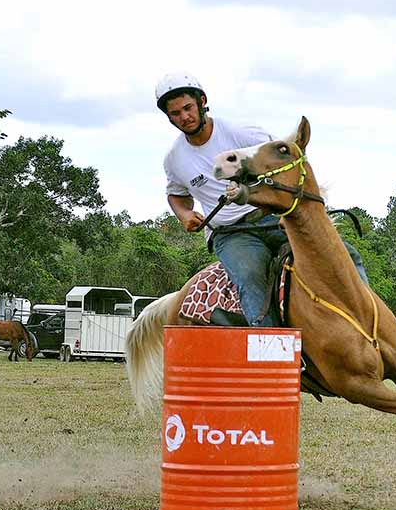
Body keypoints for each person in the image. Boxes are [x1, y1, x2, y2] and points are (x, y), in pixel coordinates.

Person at [156, 71, 367, 327]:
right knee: (251, 274)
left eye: (188, 108)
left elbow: (283, 165)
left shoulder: (242, 134)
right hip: (231, 234)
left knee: (343, 254)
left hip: (272, 218)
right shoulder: (175, 159)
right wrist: (185, 214)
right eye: (175, 113)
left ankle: (377, 323)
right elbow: (176, 194)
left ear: (202, 102)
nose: (184, 117)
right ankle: (267, 343)